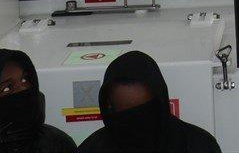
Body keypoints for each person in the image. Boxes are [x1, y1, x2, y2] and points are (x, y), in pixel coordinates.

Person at [78, 51, 220, 153]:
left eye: (144, 113)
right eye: (126, 117)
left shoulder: (199, 145)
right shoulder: (92, 149)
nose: (136, 127)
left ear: (161, 104)